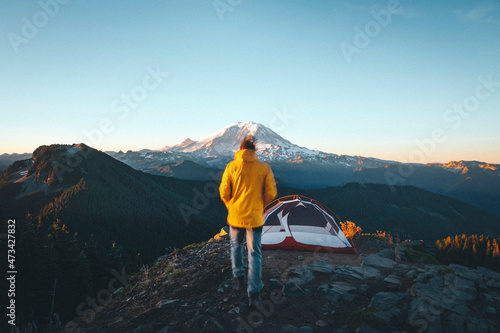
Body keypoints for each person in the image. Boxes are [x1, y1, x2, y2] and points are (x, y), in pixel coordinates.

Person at [219, 134, 277, 307]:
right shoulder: (264, 167)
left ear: (240, 149)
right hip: (255, 218)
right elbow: (272, 193)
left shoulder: (231, 166)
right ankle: (254, 291)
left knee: (235, 247)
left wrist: (232, 206)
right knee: (255, 253)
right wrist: (261, 205)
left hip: (236, 217)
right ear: (254, 150)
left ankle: (238, 279)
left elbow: (223, 192)